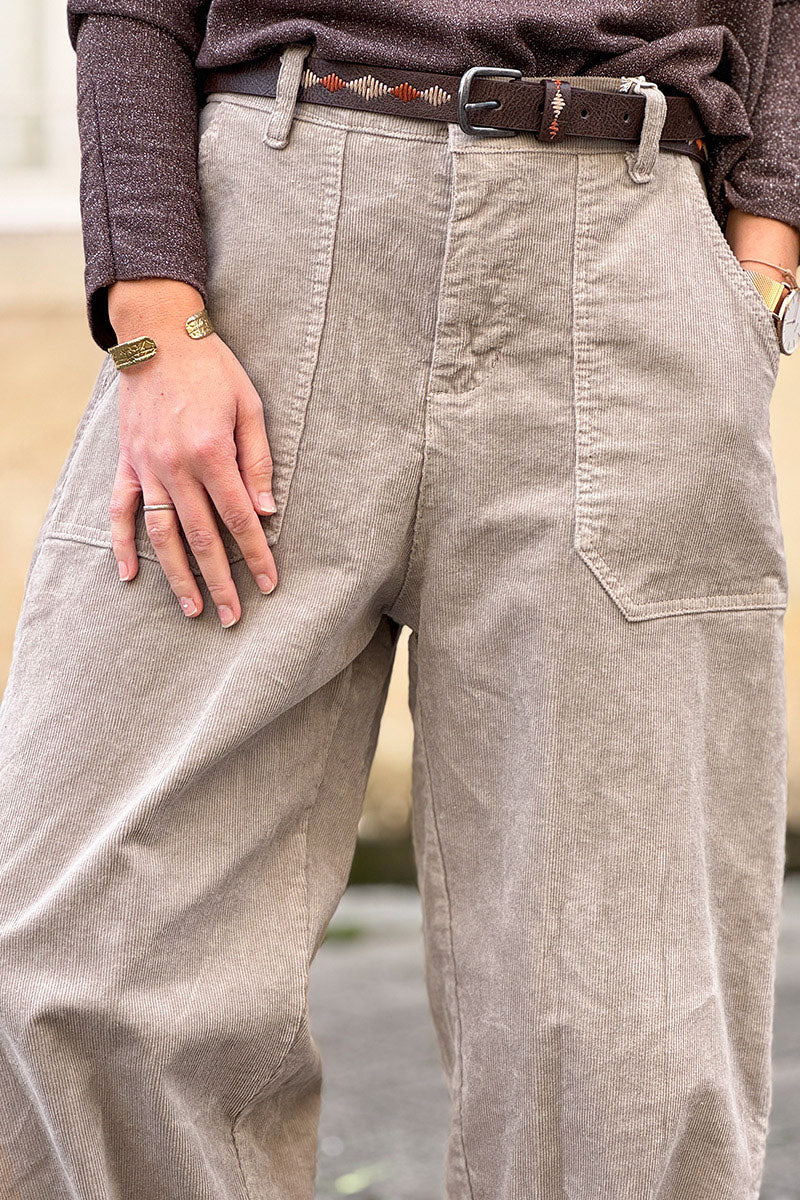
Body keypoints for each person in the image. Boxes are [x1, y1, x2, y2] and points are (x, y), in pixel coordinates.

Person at [0, 2, 798, 1197]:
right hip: (264, 249)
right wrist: (151, 310)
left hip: (627, 247)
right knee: (88, 963)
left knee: (625, 1037)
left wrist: (759, 266)